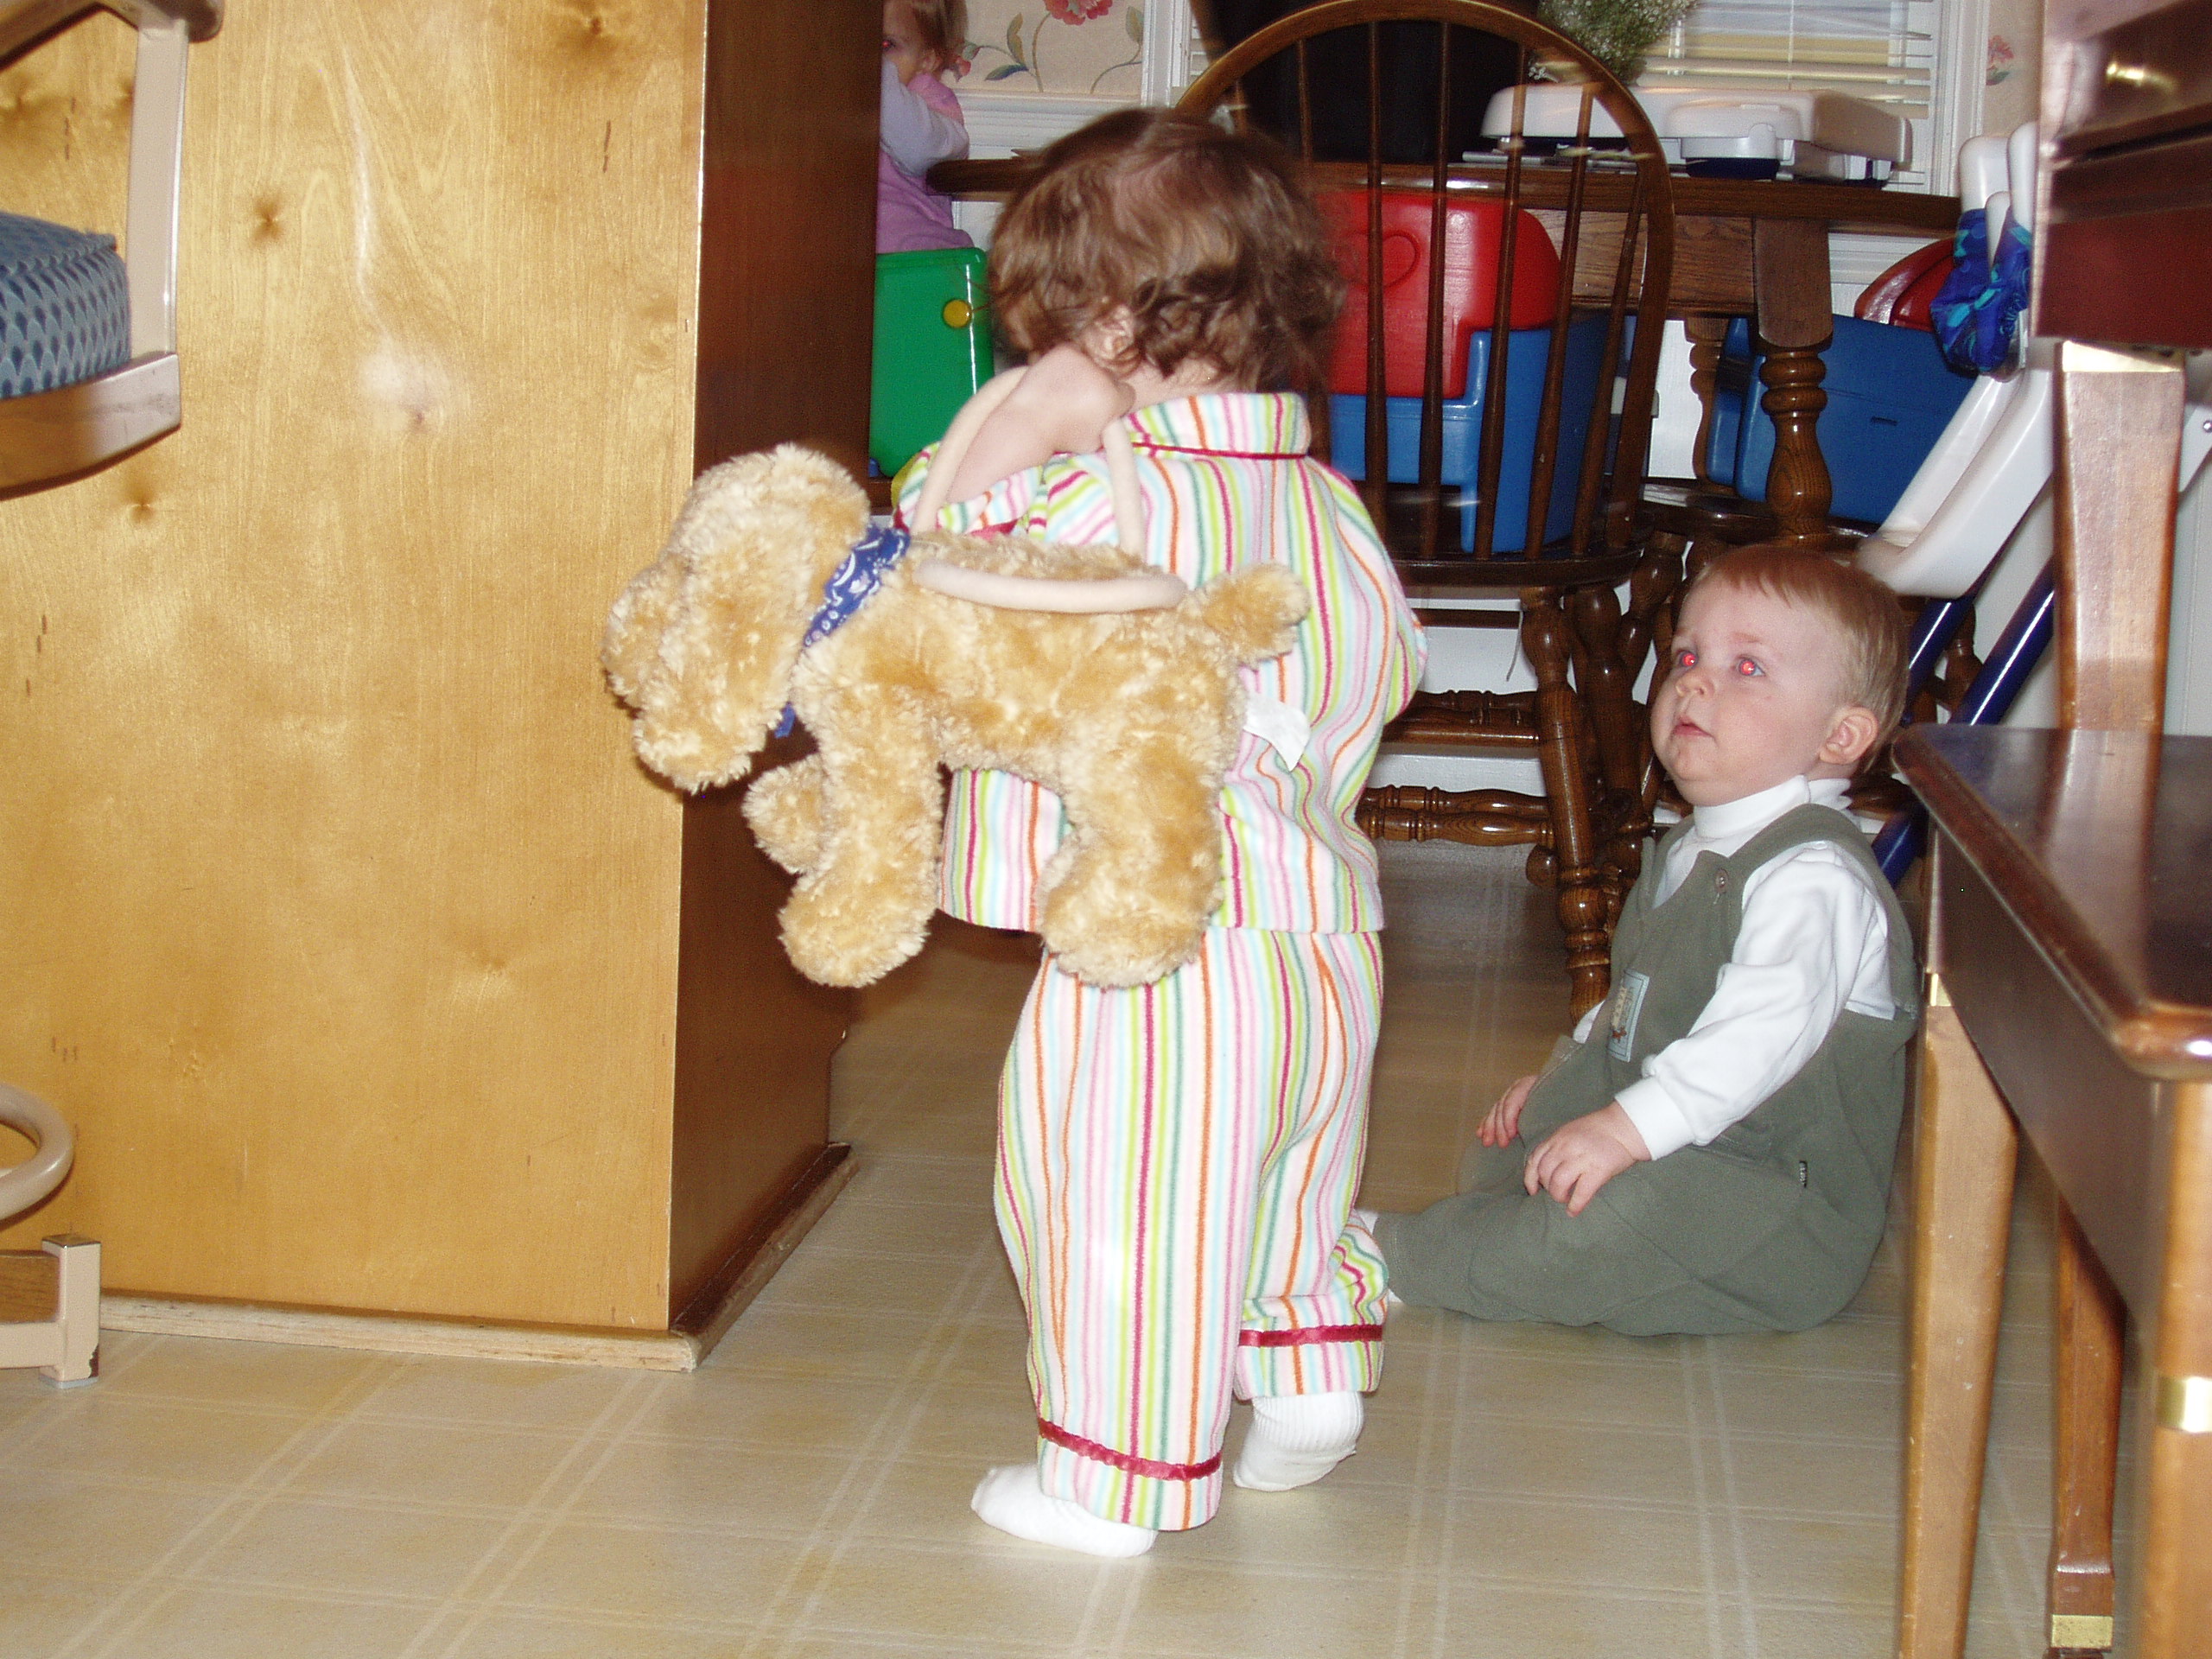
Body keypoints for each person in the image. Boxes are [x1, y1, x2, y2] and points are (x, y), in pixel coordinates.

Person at [895, 108, 1424, 1557]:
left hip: (1158, 952)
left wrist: (1022, 426)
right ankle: (1306, 1376)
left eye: (1049, 334)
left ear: (1111, 331)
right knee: (1289, 1171)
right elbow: (1384, 668)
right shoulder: (1329, 506)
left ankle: (1111, 1486)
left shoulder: (1091, 494)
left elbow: (929, 564)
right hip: (1325, 934)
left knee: (1126, 1202)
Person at [1370, 547, 1917, 1337]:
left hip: (1773, 1204)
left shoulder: (1815, 878)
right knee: (1512, 1148)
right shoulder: (1693, 847)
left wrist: (1625, 1129)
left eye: (1748, 667)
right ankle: (1513, 1239)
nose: (1694, 682)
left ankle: (1391, 1259)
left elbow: (1756, 1038)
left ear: (1841, 735)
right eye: (1688, 656)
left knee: (1599, 1220)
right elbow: (1638, 995)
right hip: (1698, 1144)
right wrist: (1568, 1077)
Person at [878, 0, 972, 254]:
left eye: (885, 45)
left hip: (919, 256)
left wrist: (877, 75)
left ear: (926, 61)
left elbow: (922, 150)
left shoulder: (931, 100)